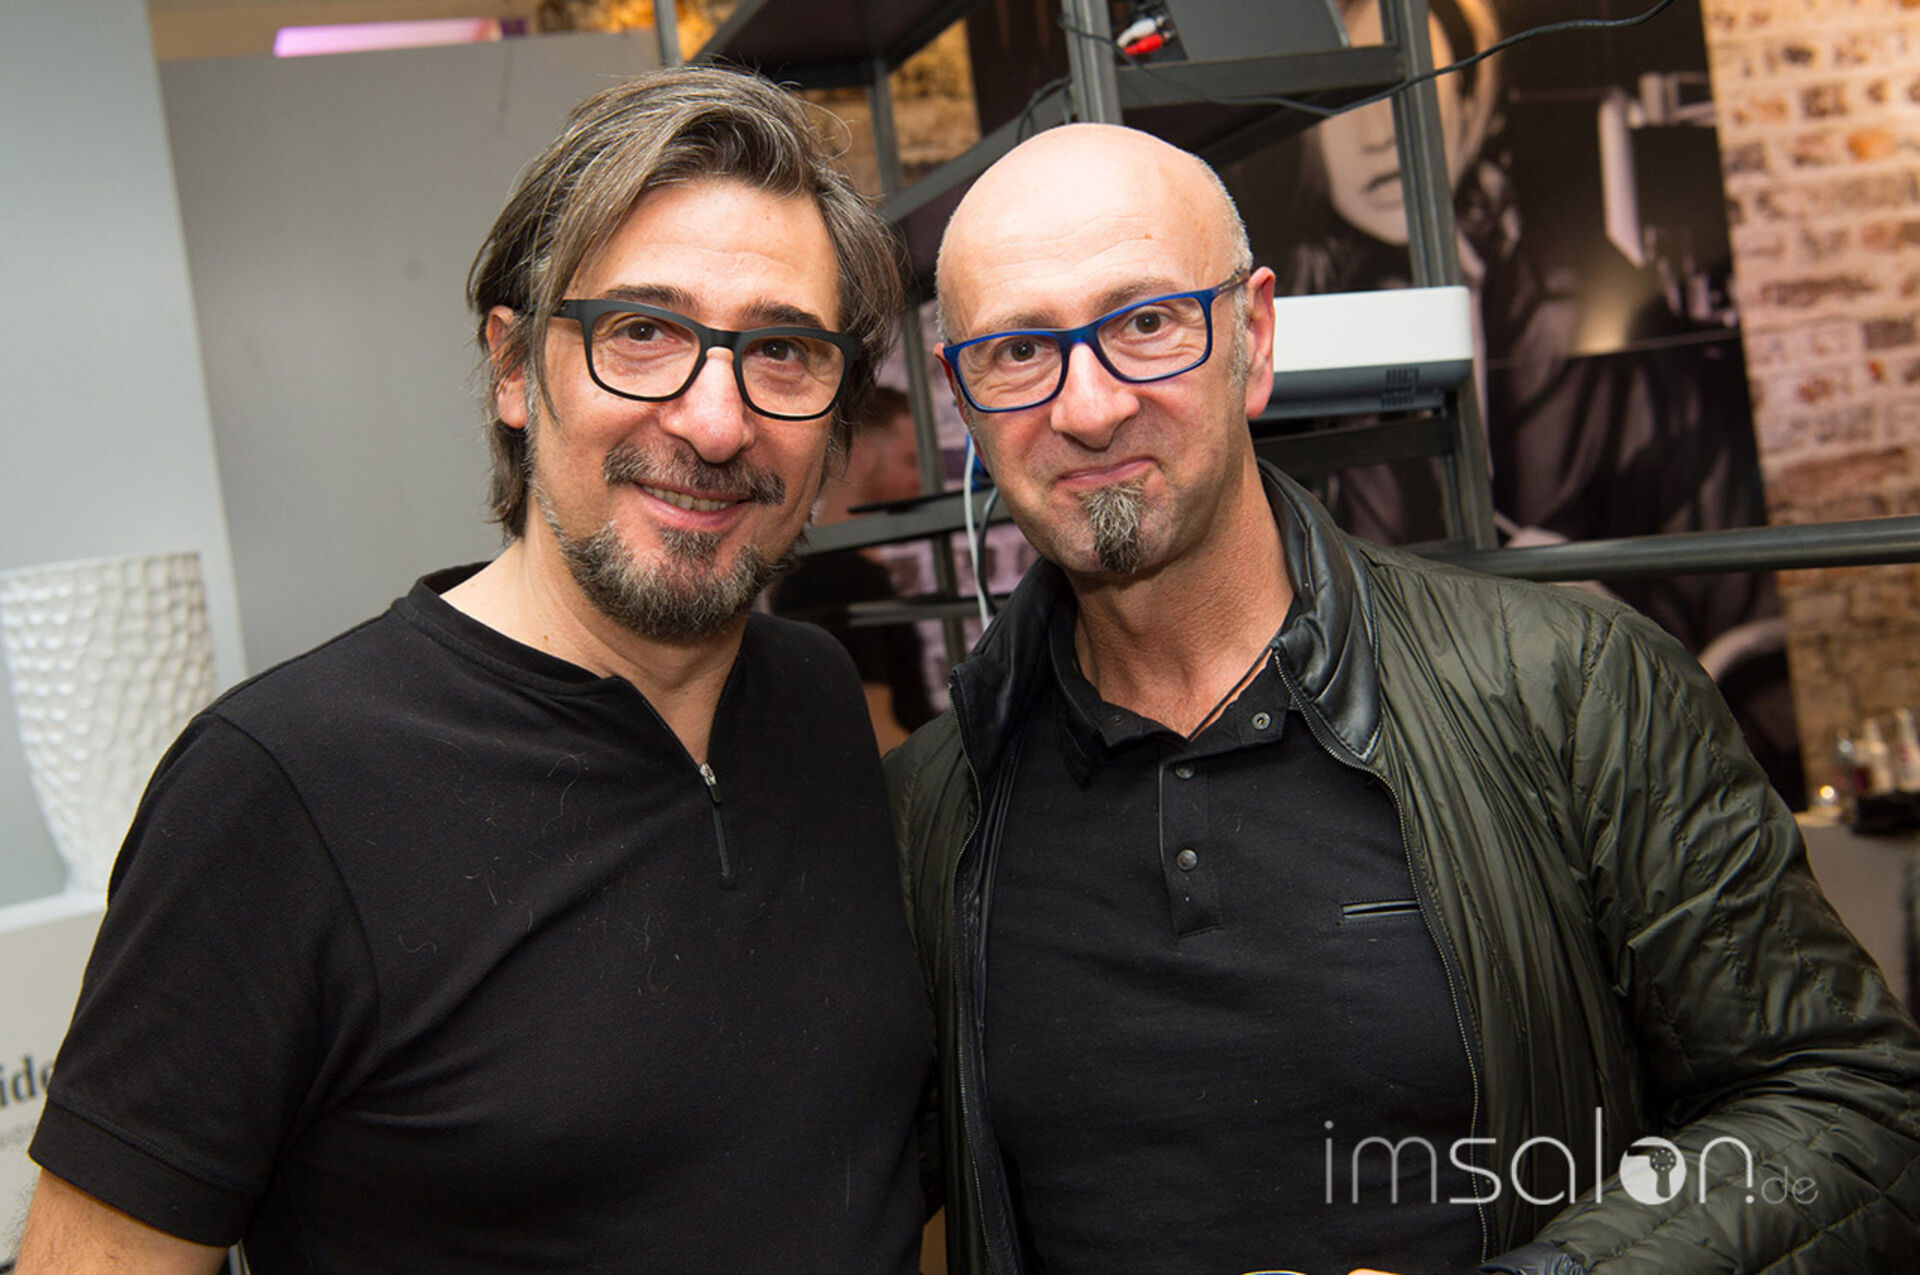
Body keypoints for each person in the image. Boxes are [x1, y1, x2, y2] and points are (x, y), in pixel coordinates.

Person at [886, 121, 1920, 1275]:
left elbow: (1846, 1108)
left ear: (1254, 339)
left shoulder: (1574, 693)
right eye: (1019, 350)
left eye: (1146, 323)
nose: (1088, 406)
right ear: (963, 395)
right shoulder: (934, 808)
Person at [20, 66, 931, 1273]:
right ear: (512, 368)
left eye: (782, 351)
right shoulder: (279, 791)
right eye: (641, 332)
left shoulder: (817, 700)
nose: (716, 422)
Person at [772, 385, 938, 749]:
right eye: (909, 461)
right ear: (861, 455)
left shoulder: (836, 569)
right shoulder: (838, 577)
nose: (920, 477)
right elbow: (872, 731)